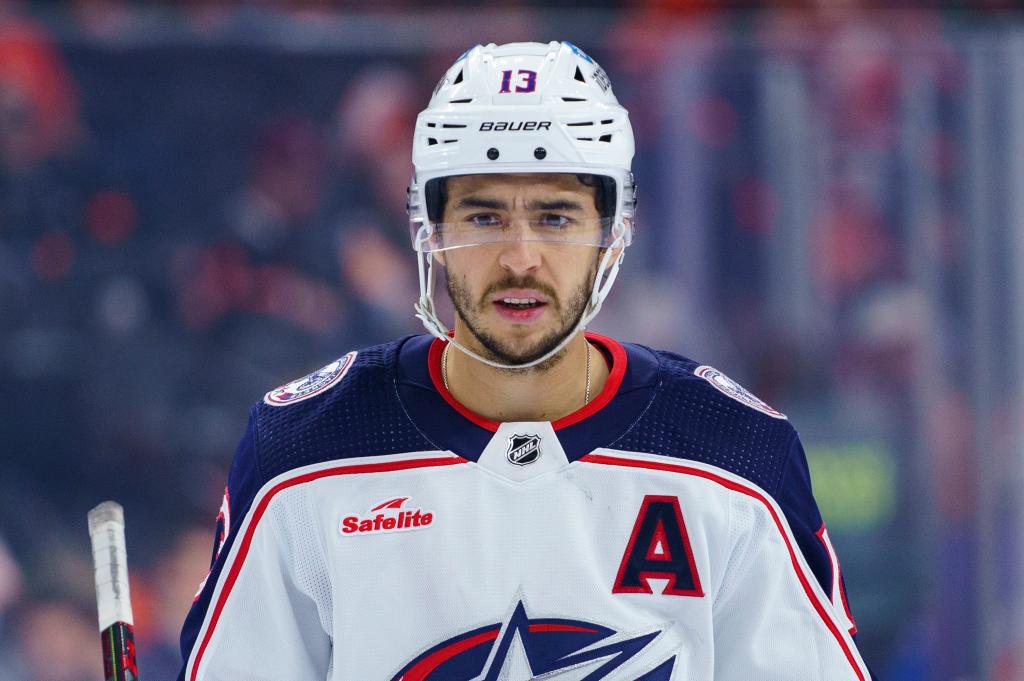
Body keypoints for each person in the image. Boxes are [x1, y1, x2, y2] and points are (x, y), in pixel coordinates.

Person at [178, 41, 871, 680]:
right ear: (428, 227)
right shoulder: (304, 453)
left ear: (612, 231)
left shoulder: (734, 455)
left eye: (555, 217)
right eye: (483, 217)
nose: (518, 257)